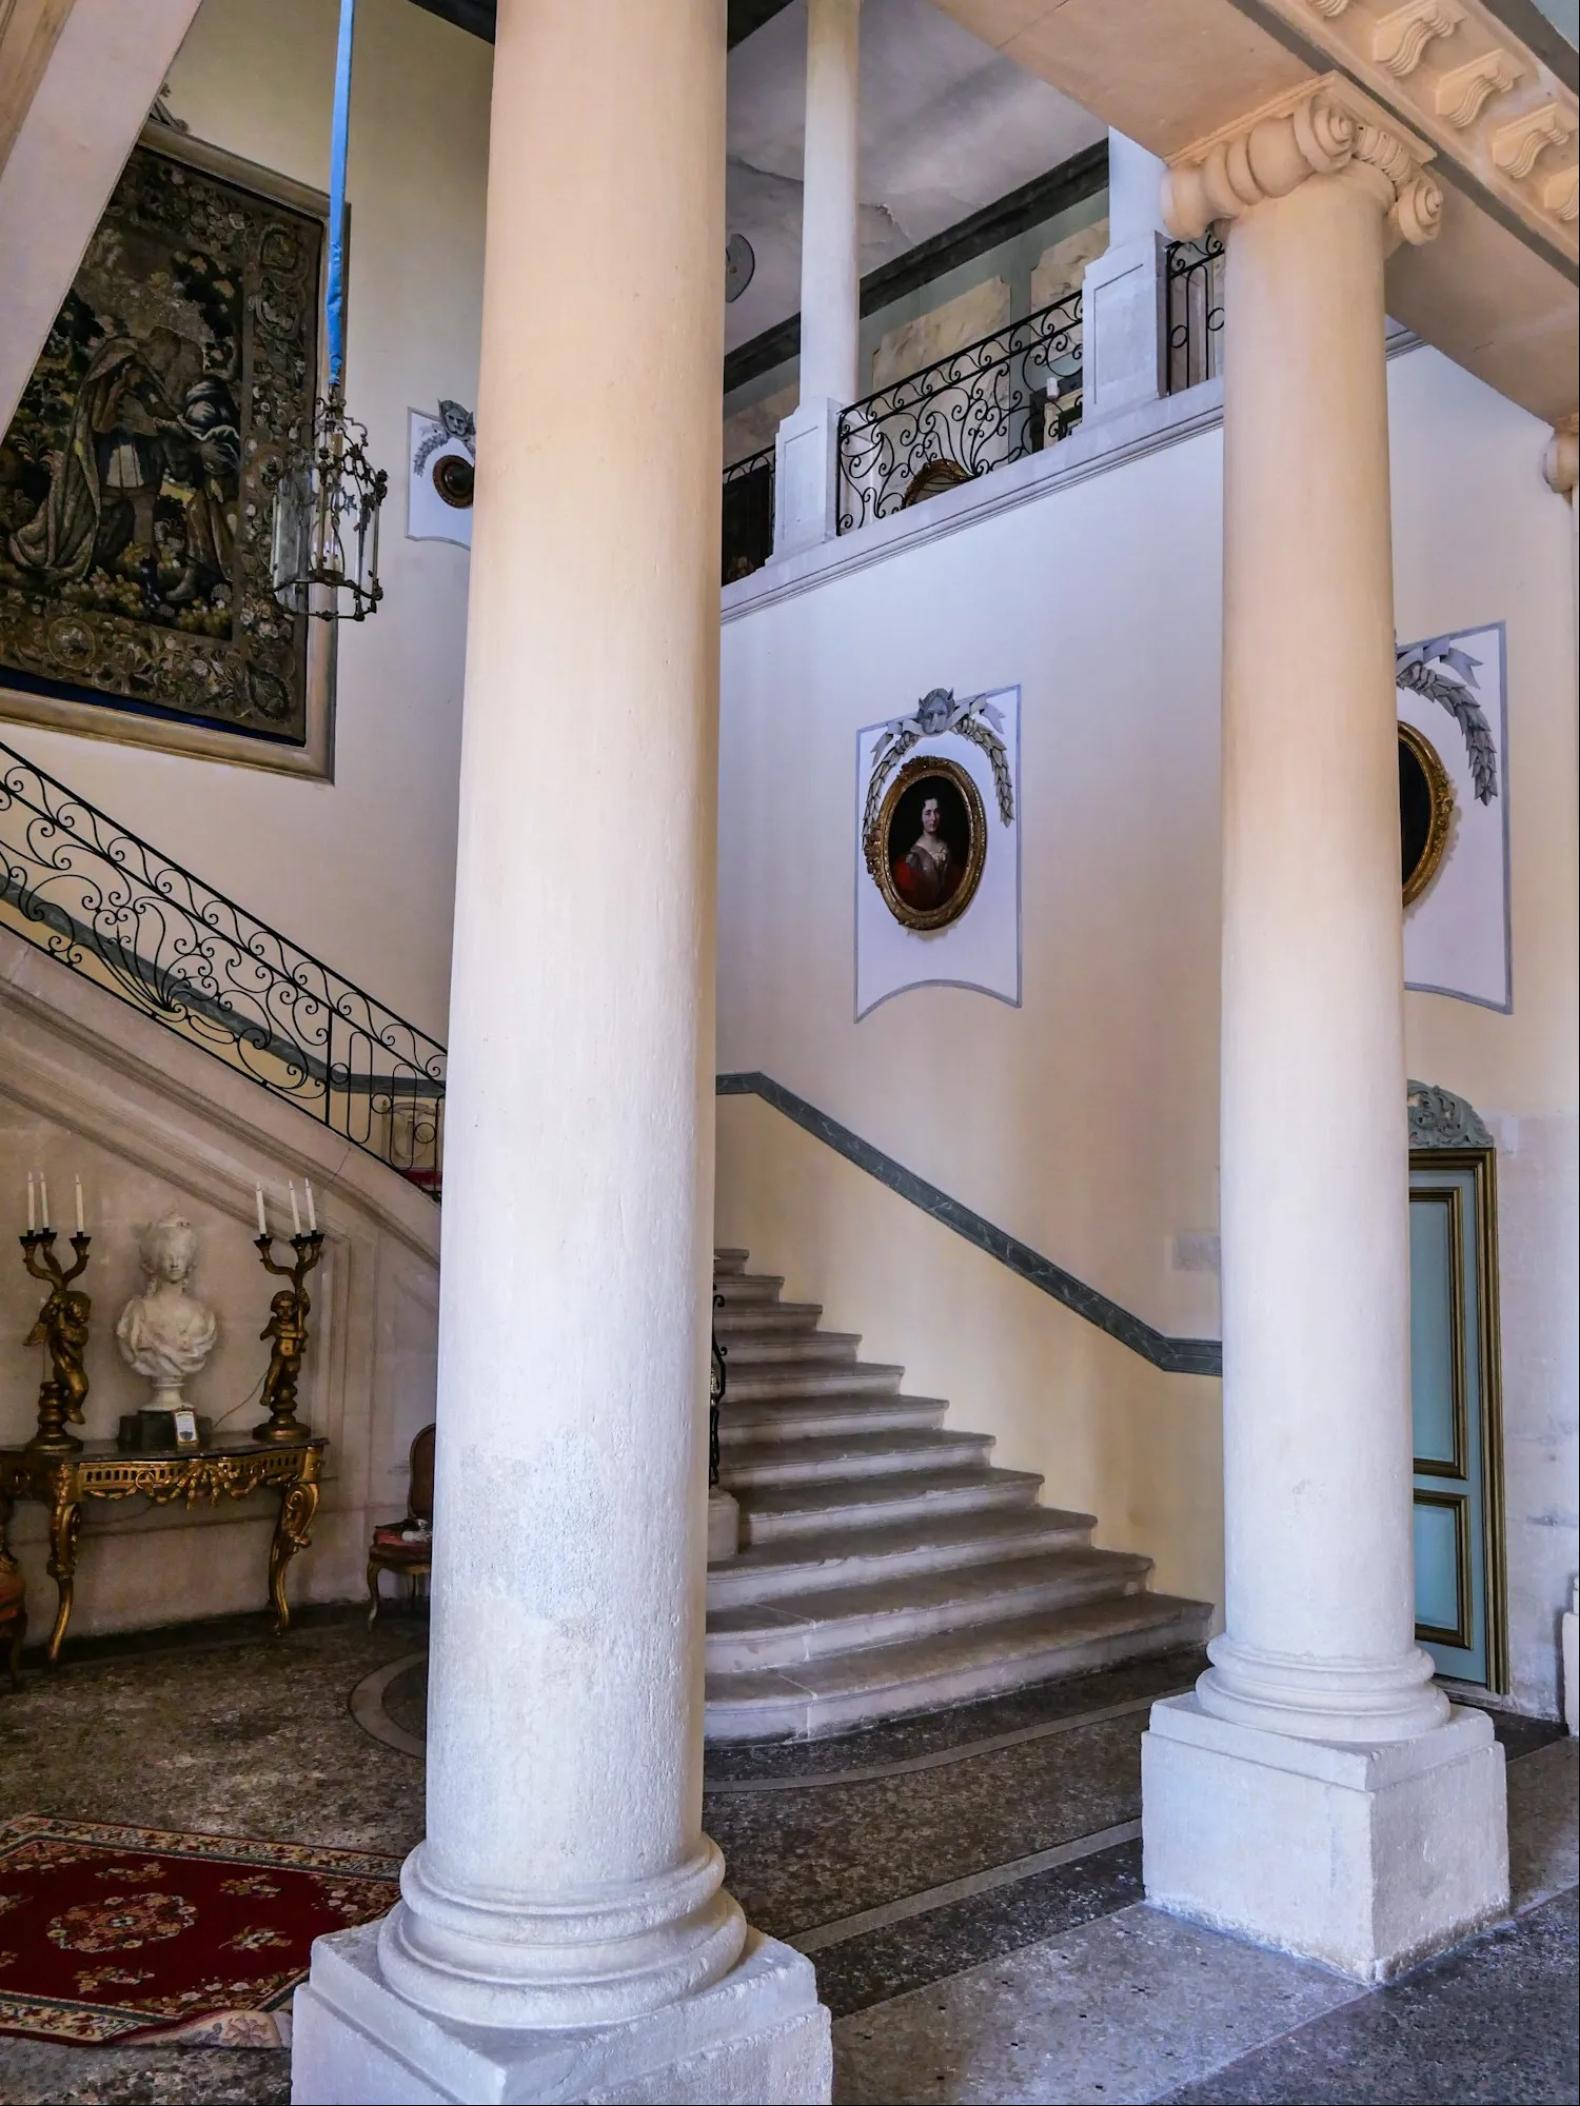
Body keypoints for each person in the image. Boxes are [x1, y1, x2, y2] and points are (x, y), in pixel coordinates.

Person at [892, 793, 960, 912]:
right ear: (920, 817)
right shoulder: (913, 855)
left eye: (936, 812)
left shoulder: (946, 847)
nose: (933, 818)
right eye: (928, 813)